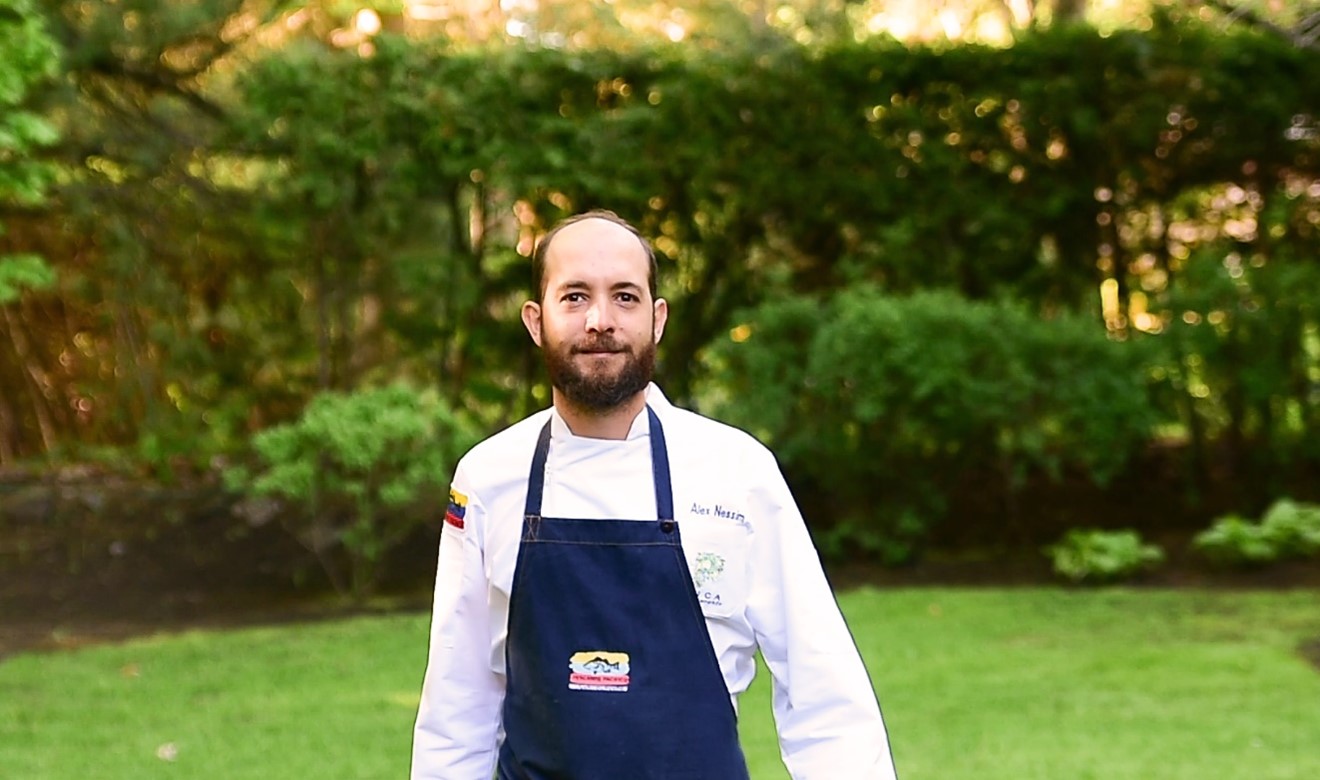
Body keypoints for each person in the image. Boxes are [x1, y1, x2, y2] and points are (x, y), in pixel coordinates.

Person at [410, 210, 899, 779]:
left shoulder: (738, 472)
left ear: (657, 318)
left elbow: (825, 694)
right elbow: (458, 704)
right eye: (574, 297)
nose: (600, 320)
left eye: (624, 296)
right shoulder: (489, 477)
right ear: (535, 320)